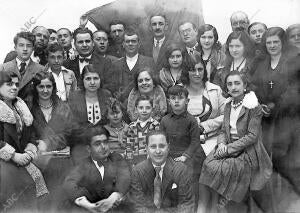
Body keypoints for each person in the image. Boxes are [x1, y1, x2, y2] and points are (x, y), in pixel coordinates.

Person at [199, 71, 272, 212]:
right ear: (226, 88)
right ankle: (208, 204)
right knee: (209, 163)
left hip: (248, 151)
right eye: (230, 84)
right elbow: (223, 131)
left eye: (237, 83)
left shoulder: (253, 107)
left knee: (229, 167)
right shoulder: (228, 105)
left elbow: (252, 136)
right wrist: (221, 144)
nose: (234, 87)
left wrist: (228, 149)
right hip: (227, 146)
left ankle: (225, 200)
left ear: (245, 85)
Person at [0, 71, 48, 212]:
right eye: (9, 84)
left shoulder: (21, 107)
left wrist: (30, 148)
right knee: (12, 183)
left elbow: (31, 133)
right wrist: (13, 155)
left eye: (16, 84)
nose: (14, 87)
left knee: (37, 176)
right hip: (3, 159)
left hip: (21, 156)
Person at [62, 126, 132, 213]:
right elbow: (69, 184)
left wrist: (114, 197)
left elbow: (125, 178)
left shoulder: (117, 158)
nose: (103, 147)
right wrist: (89, 205)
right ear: (88, 149)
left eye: (105, 142)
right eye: (97, 144)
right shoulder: (83, 164)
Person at [130, 130, 195, 212]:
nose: (158, 151)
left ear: (168, 147)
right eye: (153, 147)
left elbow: (187, 204)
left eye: (162, 146)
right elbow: (137, 206)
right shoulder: (137, 171)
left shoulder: (181, 170)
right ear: (146, 149)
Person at [252, 27, 290, 154]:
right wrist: (259, 105)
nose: (272, 46)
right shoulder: (260, 62)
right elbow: (253, 85)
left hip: (285, 115)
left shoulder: (292, 62)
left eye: (276, 42)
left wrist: (274, 106)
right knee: (264, 150)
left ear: (282, 43)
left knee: (282, 153)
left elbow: (293, 89)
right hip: (263, 113)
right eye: (269, 42)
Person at [182, 53, 225, 156]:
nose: (197, 73)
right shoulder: (178, 91)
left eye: (200, 69)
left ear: (204, 70)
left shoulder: (215, 90)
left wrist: (204, 127)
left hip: (211, 140)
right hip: (184, 143)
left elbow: (226, 115)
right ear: (186, 71)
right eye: (192, 70)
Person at [0, 31, 45, 108]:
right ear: (15, 48)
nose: (25, 49)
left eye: (29, 46)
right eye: (21, 45)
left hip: (32, 113)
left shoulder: (41, 69)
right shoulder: (4, 68)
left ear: (33, 48)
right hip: (9, 112)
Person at [110, 27, 155, 100]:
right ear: (123, 44)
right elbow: (113, 88)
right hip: (121, 106)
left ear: (139, 44)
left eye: (133, 41)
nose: (130, 44)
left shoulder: (149, 62)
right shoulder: (115, 64)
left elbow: (154, 86)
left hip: (144, 105)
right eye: (127, 41)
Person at [125, 95, 160, 165]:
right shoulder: (132, 126)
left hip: (151, 160)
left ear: (152, 109)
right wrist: (129, 161)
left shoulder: (155, 125)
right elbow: (129, 145)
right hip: (135, 161)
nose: (144, 111)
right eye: (141, 108)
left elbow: (157, 143)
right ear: (136, 109)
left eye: (147, 108)